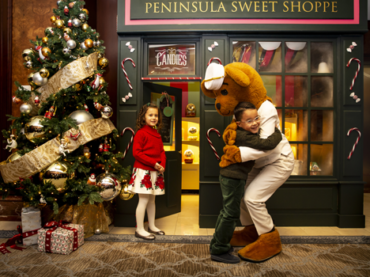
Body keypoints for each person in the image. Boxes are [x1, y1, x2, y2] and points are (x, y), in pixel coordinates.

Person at [210, 102, 282, 264]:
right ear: (239, 123)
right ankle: (219, 250)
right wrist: (277, 130)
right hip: (233, 178)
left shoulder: (241, 132)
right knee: (230, 214)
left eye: (257, 118)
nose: (255, 122)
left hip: (231, 177)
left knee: (226, 212)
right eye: (249, 121)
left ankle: (218, 244)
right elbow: (268, 144)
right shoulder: (244, 136)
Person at [128, 103, 166, 240]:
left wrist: (162, 165)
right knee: (143, 201)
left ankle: (152, 226)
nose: (154, 117)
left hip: (155, 171)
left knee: (152, 201)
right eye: (150, 115)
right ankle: (139, 229)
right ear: (144, 117)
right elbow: (137, 153)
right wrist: (155, 164)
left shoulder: (157, 134)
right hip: (144, 171)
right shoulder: (141, 133)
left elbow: (162, 151)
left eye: (156, 115)